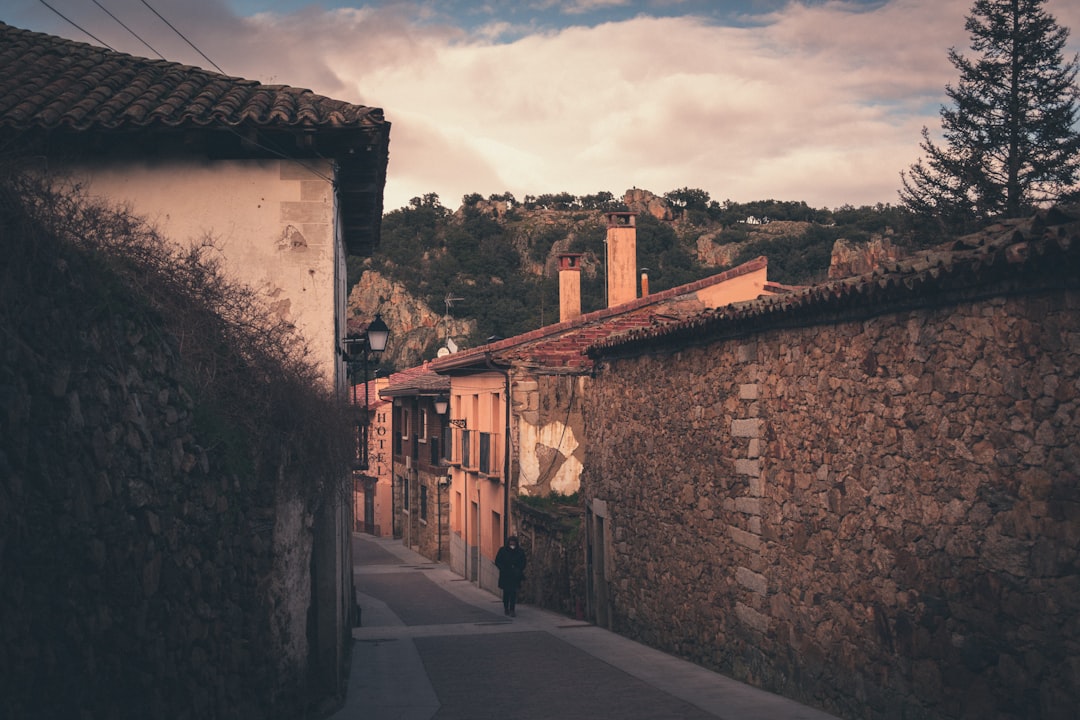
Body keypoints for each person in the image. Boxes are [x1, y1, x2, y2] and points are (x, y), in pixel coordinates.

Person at [495, 535, 527, 617]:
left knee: (513, 592)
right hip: (505, 575)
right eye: (511, 544)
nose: (512, 545)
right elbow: (497, 561)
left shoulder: (520, 552)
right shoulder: (503, 551)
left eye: (514, 544)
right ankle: (506, 608)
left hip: (515, 575)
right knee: (506, 592)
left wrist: (519, 569)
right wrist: (502, 568)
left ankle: (512, 609)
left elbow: (523, 562)